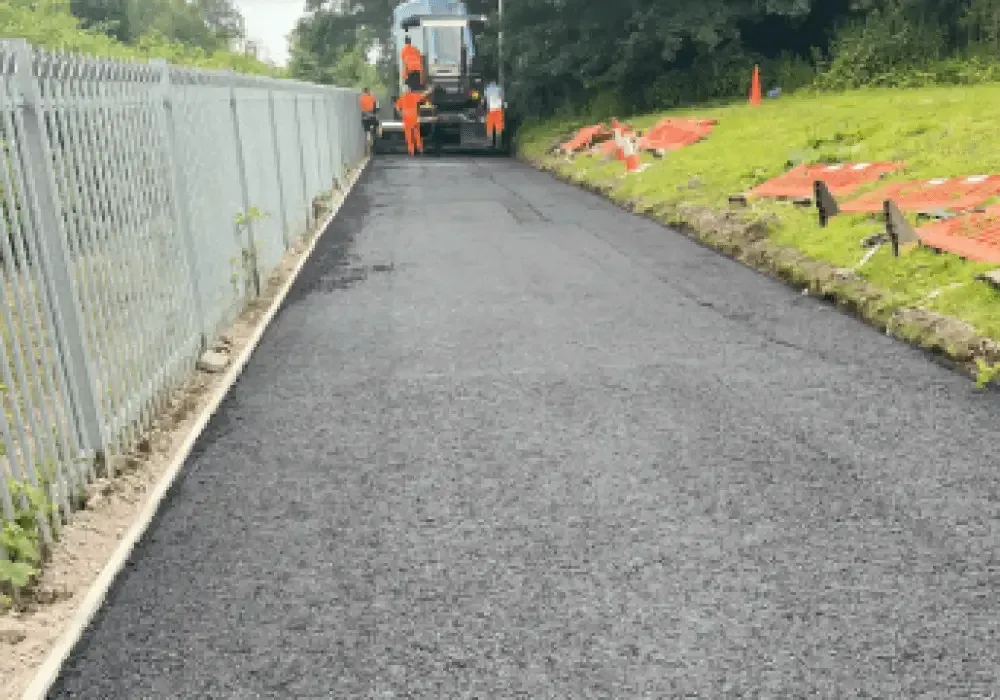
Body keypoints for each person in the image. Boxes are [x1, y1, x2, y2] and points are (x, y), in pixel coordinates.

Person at [395, 83, 434, 156]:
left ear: (403, 91)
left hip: (406, 118)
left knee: (409, 135)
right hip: (414, 117)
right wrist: (429, 91)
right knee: (417, 133)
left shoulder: (401, 98)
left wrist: (400, 113)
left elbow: (397, 107)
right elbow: (423, 95)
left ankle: (411, 150)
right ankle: (419, 148)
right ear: (409, 90)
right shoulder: (414, 96)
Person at [483, 81, 504, 146]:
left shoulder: (487, 89)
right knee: (498, 127)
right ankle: (498, 143)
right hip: (498, 109)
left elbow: (485, 100)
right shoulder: (499, 88)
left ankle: (490, 143)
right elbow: (502, 98)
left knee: (490, 127)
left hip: (490, 109)